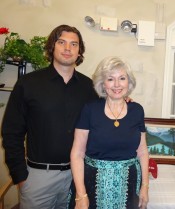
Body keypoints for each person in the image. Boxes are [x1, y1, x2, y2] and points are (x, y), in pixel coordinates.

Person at [2, 25, 101, 209]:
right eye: (61, 42)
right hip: (38, 179)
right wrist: (20, 176)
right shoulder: (28, 84)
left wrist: (122, 102)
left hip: (76, 178)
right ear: (52, 47)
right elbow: (11, 132)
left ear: (79, 51)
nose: (67, 48)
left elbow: (103, 119)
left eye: (74, 44)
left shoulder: (89, 88)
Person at [67, 56, 149, 209]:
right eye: (110, 79)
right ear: (103, 84)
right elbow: (77, 153)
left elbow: (143, 151)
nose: (117, 84)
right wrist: (81, 194)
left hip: (129, 187)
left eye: (122, 78)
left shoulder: (137, 110)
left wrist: (145, 186)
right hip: (91, 187)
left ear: (129, 82)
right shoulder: (90, 109)